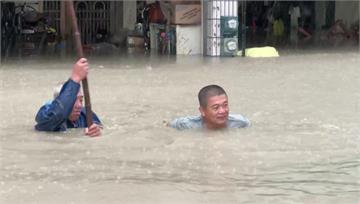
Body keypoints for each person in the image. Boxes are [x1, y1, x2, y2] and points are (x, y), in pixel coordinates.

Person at [35, 58, 102, 137]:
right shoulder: (46, 114)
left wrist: (96, 131)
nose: (79, 106)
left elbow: (99, 127)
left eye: (81, 100)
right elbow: (58, 114)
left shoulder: (85, 114)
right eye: (74, 100)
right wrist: (75, 78)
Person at [170, 85, 250, 130]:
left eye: (225, 105)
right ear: (202, 111)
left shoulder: (240, 123)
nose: (222, 111)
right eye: (216, 107)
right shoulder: (188, 124)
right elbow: (168, 125)